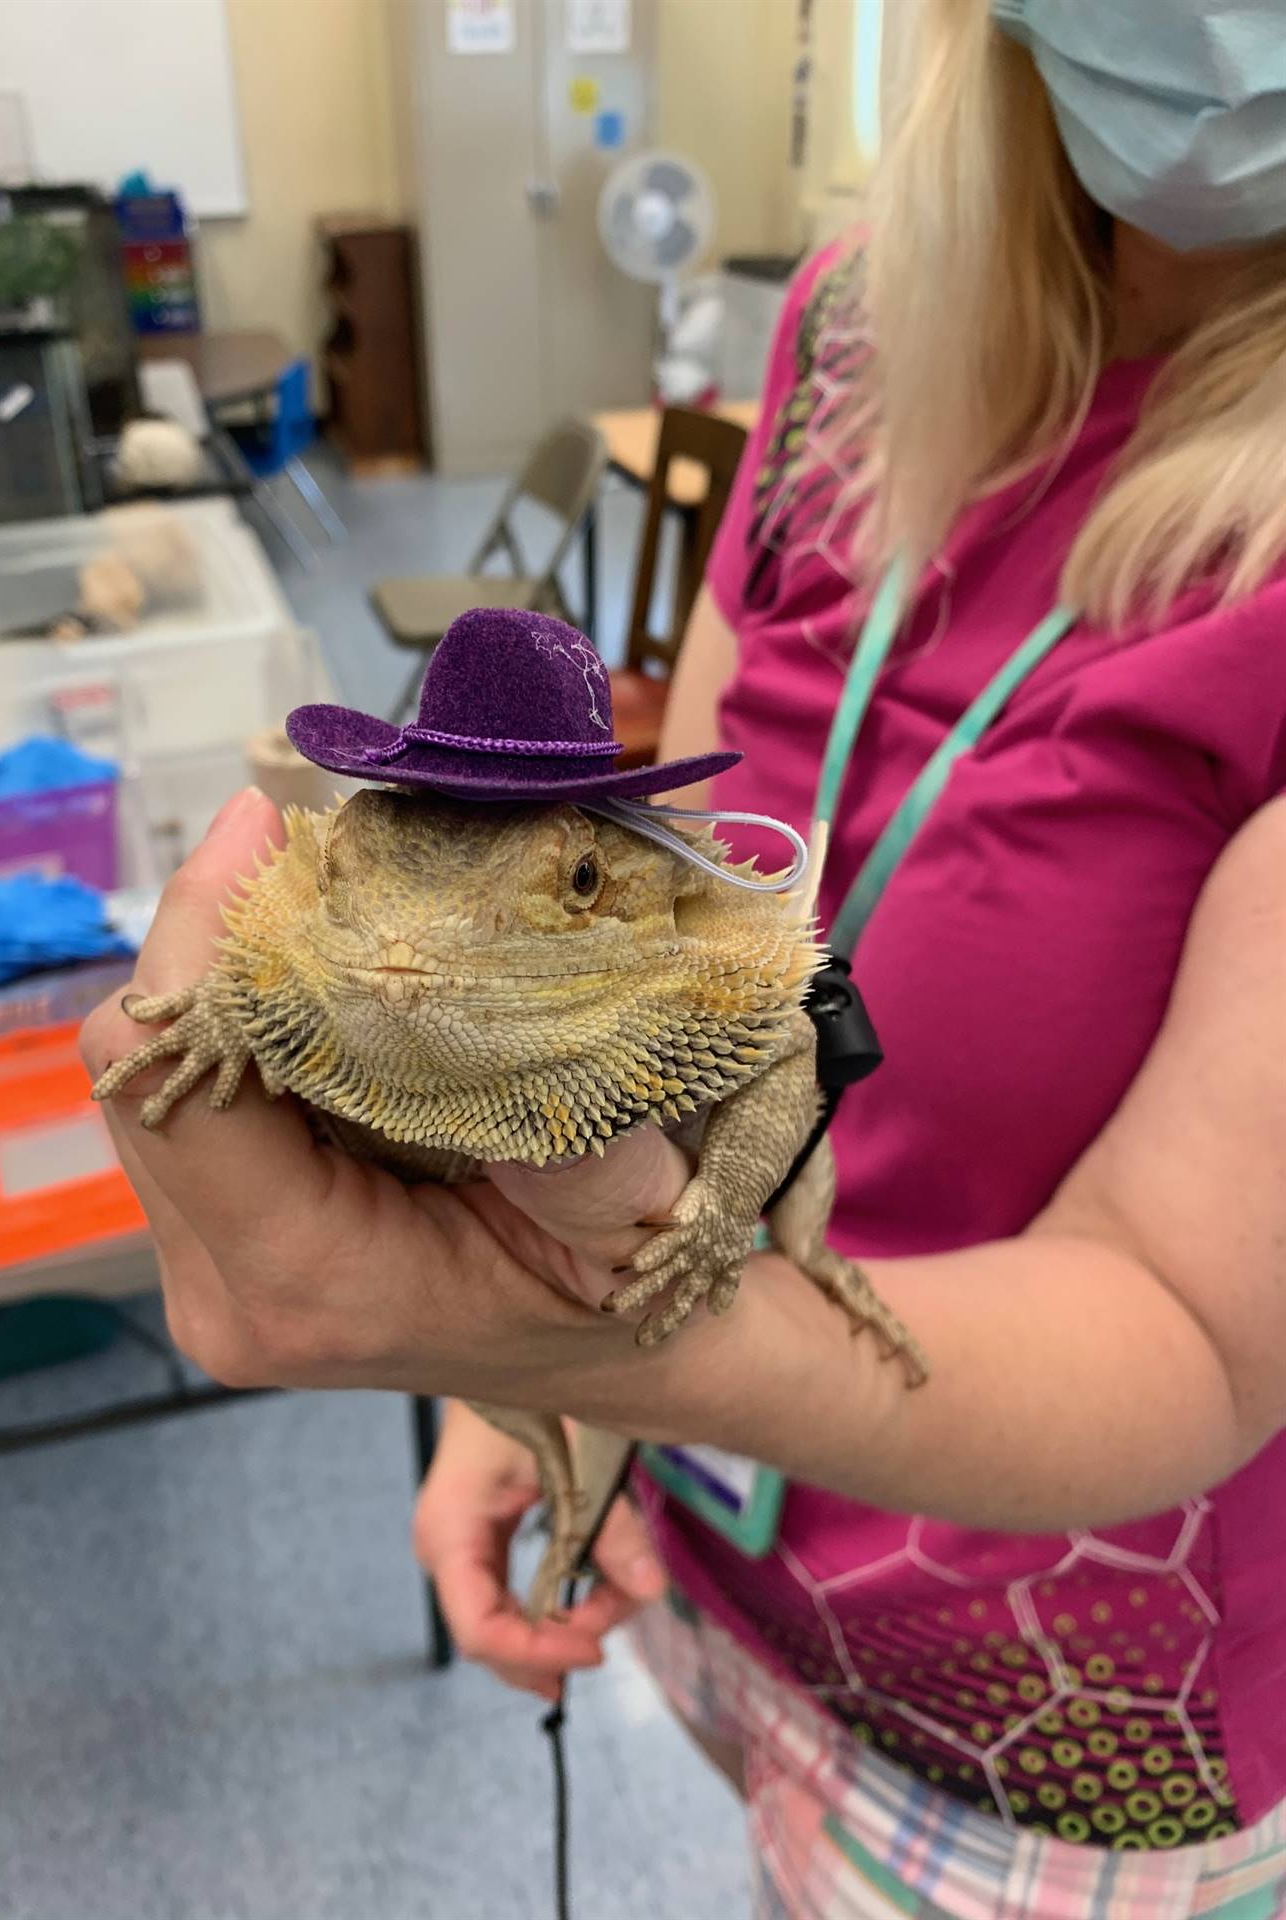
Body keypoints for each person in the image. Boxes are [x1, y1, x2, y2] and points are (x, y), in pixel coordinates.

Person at [82, 1, 1286, 1911]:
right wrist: (541, 1398)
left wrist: (592, 1336)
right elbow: (698, 907)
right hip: (706, 1525)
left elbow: (1204, 1328)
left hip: (1053, 1714)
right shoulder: (847, 332)